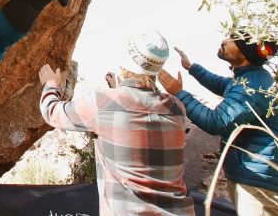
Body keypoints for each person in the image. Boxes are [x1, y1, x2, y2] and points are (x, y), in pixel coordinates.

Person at [39, 34, 196, 216]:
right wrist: (118, 90)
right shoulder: (176, 108)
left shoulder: (106, 103)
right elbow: (142, 109)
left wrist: (50, 84)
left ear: (124, 64)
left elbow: (52, 112)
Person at [158, 30, 278, 216]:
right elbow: (223, 85)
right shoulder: (250, 78)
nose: (224, 40)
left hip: (257, 184)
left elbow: (216, 121)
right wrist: (192, 68)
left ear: (244, 53)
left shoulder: (251, 87)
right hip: (254, 179)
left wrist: (179, 93)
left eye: (232, 39)